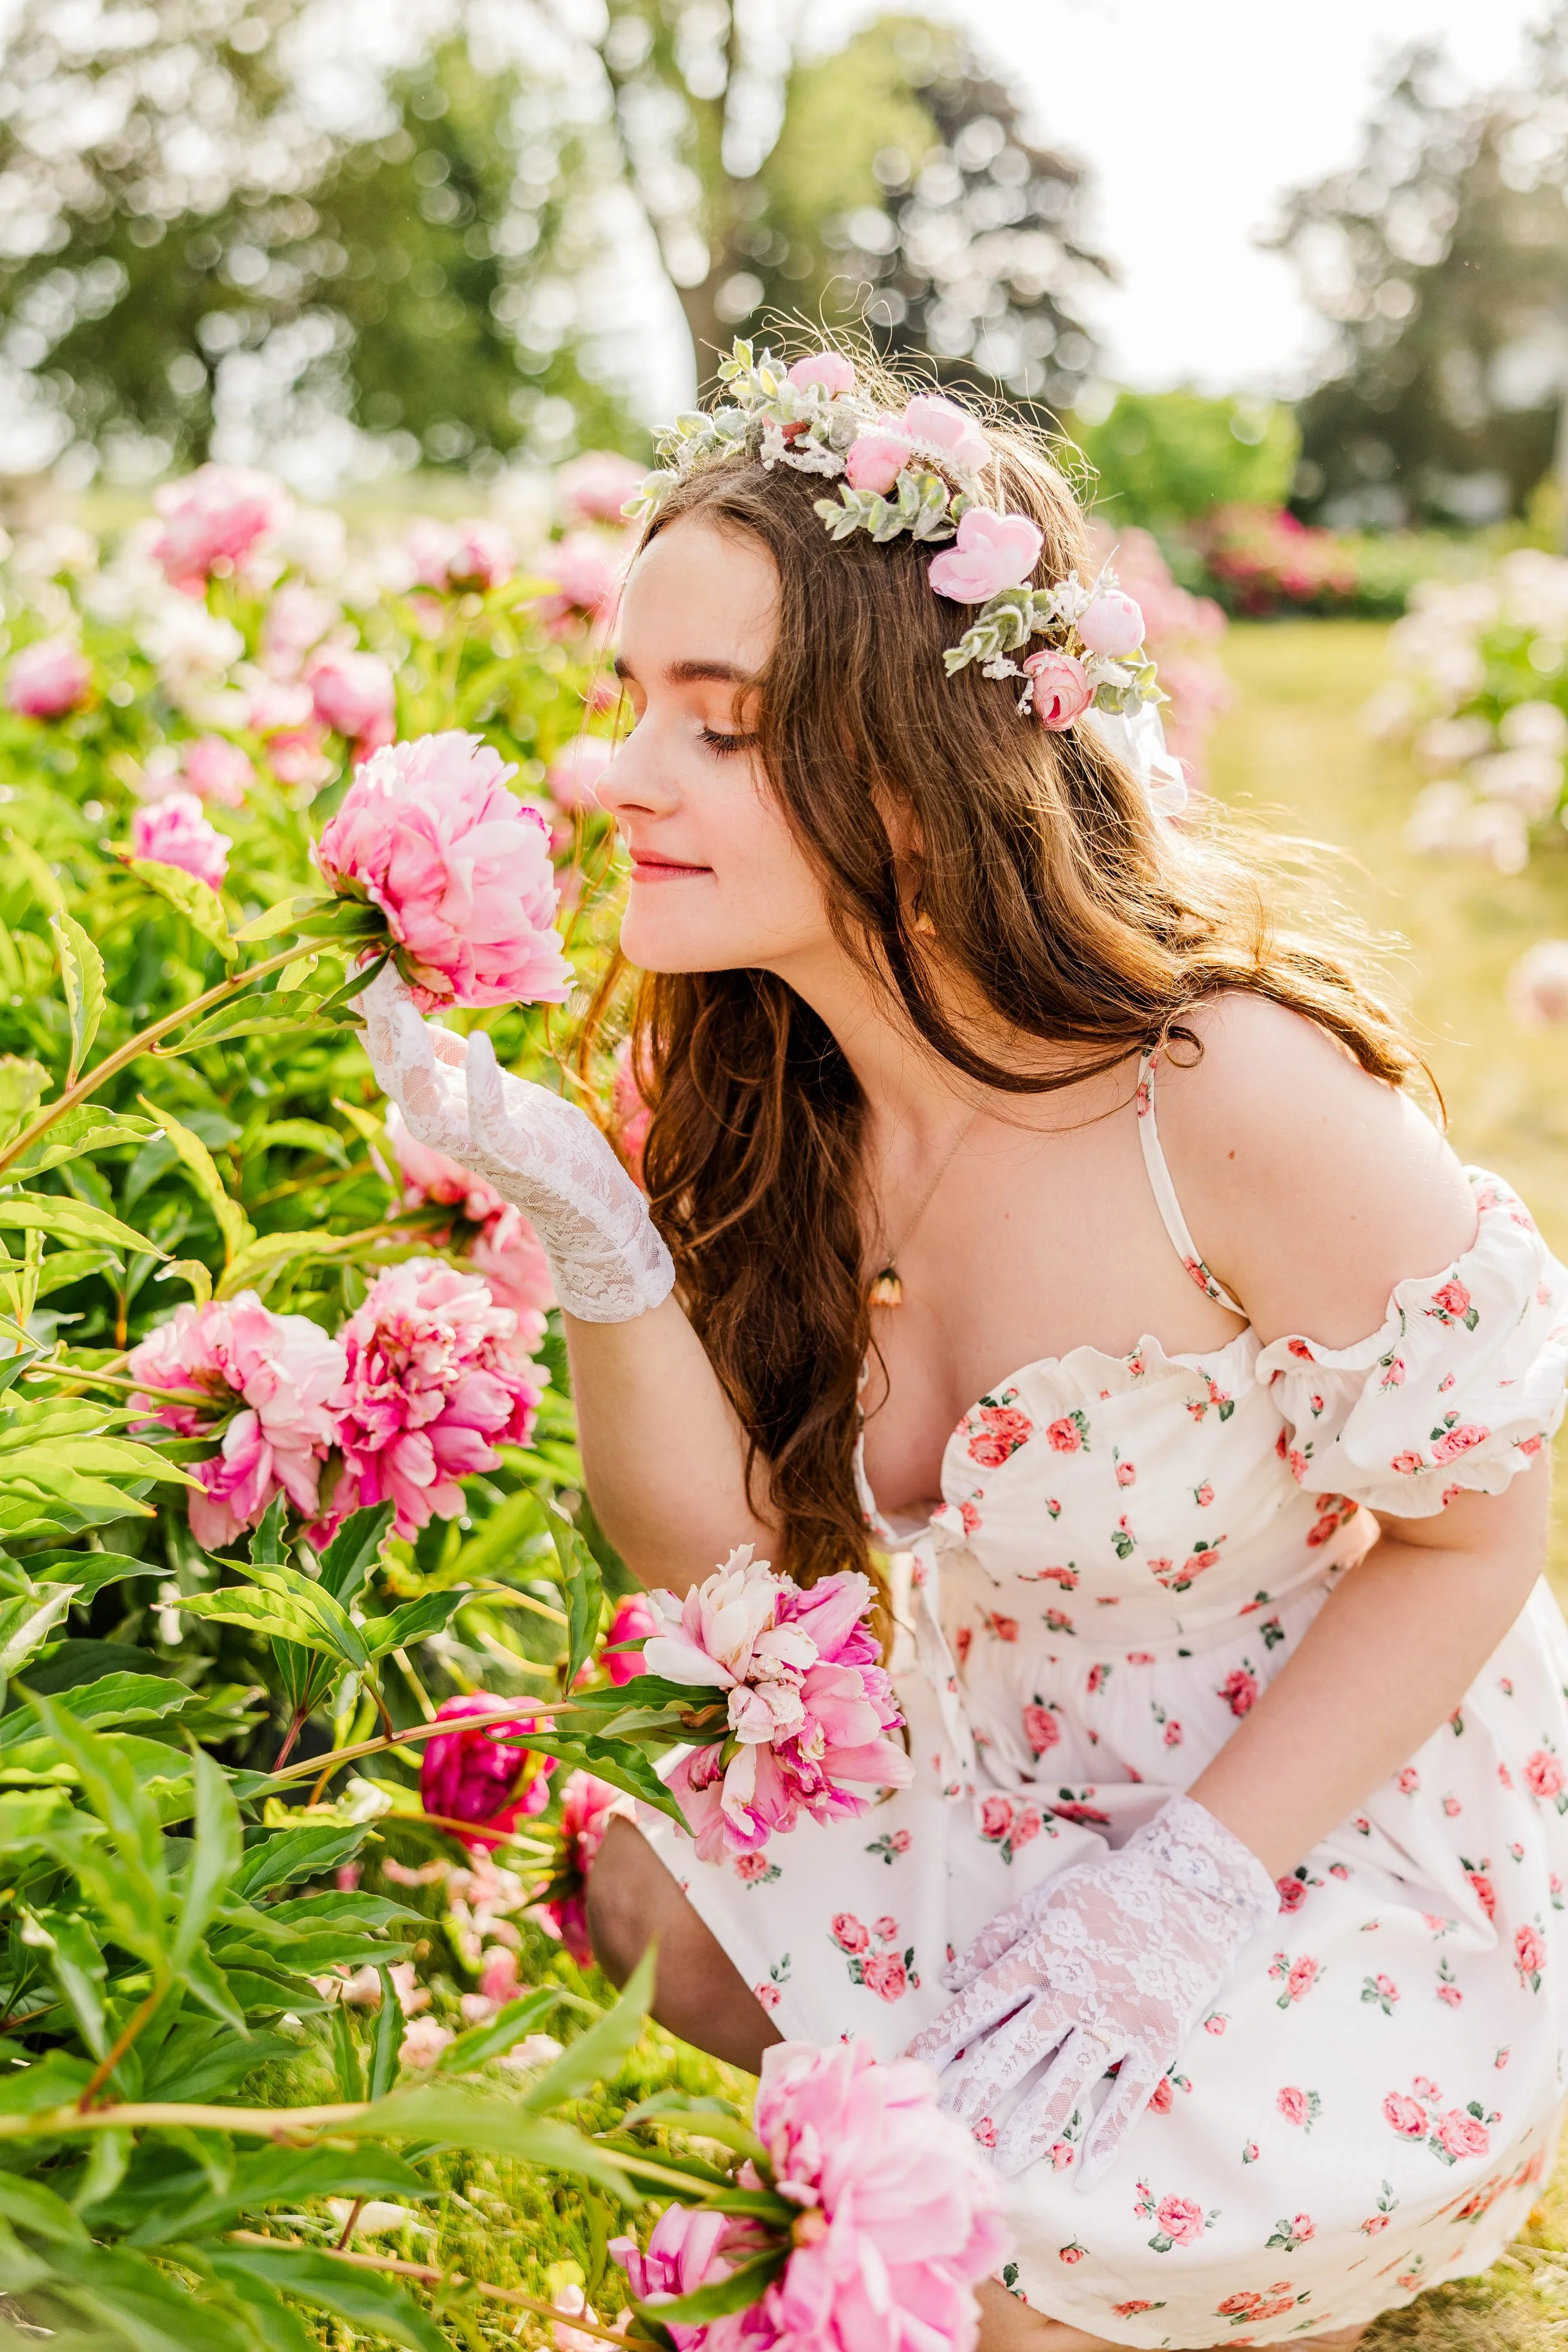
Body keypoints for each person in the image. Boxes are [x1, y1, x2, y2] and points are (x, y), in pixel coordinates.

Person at [362, 344, 1568, 2352]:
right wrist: (583, 1217)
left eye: (723, 728)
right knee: (645, 1902)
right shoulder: (774, 1088)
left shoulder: (1221, 1093)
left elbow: (1473, 1540)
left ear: (912, 777)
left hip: (1311, 1796)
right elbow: (722, 1559)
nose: (625, 776)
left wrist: (1179, 1897)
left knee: (981, 2259)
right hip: (1005, 1759)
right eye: (631, 706)